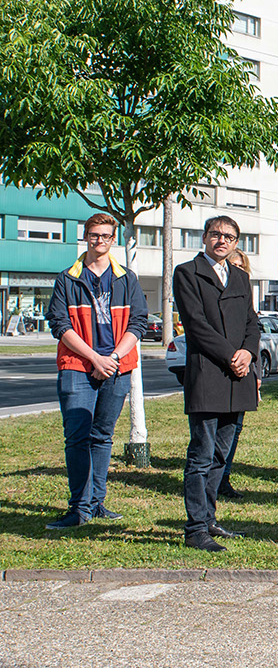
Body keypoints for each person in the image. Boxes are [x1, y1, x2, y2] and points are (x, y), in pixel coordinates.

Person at [44, 213, 149, 530]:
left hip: (117, 366)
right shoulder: (67, 278)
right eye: (94, 235)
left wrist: (113, 357)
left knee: (102, 437)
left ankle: (97, 502)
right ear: (85, 236)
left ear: (112, 239)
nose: (99, 241)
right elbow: (59, 325)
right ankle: (79, 508)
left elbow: (138, 324)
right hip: (77, 365)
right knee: (77, 438)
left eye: (105, 236)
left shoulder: (127, 279)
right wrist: (94, 358)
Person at [172, 216, 260, 552]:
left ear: (237, 243)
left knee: (221, 455)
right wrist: (231, 355)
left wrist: (248, 354)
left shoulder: (240, 276)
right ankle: (195, 528)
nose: (221, 240)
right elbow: (195, 325)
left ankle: (209, 519)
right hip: (209, 373)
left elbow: (252, 322)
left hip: (238, 377)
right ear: (205, 237)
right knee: (202, 454)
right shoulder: (187, 272)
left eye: (229, 236)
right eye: (215, 234)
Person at [216, 249, 260, 501]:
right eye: (233, 265)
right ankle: (212, 477)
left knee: (235, 427)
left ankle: (224, 478)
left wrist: (253, 368)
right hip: (221, 366)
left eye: (241, 267)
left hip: (245, 368)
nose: (237, 271)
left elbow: (252, 327)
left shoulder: (245, 293)